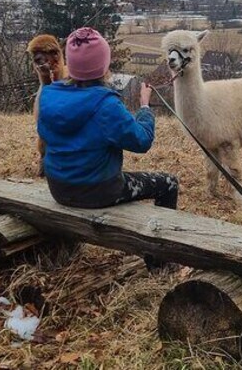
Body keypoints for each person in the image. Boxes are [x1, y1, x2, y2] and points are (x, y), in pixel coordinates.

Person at [37, 27, 179, 267]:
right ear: (103, 66)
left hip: (58, 187)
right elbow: (142, 141)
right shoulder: (105, 104)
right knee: (169, 183)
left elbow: (45, 136)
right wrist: (145, 107)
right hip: (99, 191)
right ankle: (161, 263)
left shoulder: (49, 95)